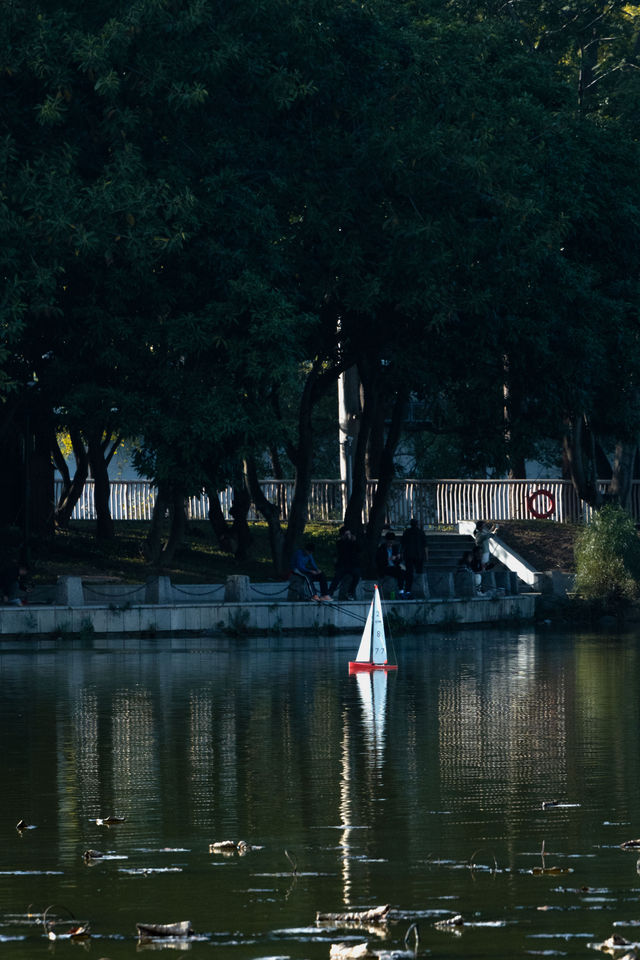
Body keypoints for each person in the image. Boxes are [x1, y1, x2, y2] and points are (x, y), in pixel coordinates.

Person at [329, 527, 361, 600]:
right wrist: (349, 540)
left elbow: (359, 549)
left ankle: (350, 592)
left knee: (357, 575)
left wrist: (354, 541)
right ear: (342, 535)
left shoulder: (353, 543)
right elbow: (343, 550)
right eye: (346, 534)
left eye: (349, 534)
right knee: (337, 578)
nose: (348, 536)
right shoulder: (340, 543)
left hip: (352, 565)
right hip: (342, 565)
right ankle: (329, 593)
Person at [401, 518, 427, 598]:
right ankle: (419, 589)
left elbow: (403, 544)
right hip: (419, 555)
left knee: (409, 573)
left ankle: (408, 590)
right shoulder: (421, 532)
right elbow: (425, 545)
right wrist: (426, 556)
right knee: (419, 572)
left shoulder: (407, 532)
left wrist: (402, 554)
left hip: (408, 555)